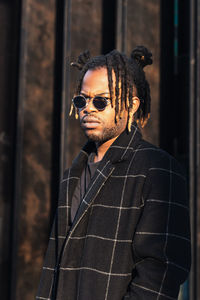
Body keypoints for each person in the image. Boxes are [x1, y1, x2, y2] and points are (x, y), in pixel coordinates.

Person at [36, 46, 191, 300]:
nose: (89, 108)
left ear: (131, 105)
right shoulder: (71, 176)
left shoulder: (157, 168)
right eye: (81, 100)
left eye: (101, 100)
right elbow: (53, 268)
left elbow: (161, 272)